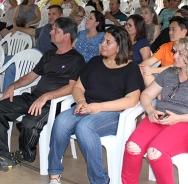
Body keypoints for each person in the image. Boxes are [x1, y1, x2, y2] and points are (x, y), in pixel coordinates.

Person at [0, 17, 85, 176]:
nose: (50, 32)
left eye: (55, 30)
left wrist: (47, 97)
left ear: (67, 36)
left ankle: (25, 153)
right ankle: (0, 156)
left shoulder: (76, 59)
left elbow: (72, 87)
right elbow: (31, 76)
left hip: (54, 104)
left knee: (29, 122)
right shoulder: (49, 54)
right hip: (34, 96)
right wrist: (12, 86)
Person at [47, 26, 144, 184]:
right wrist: (81, 101)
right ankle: (54, 174)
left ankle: (100, 180)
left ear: (119, 46)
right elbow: (78, 87)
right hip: (87, 106)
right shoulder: (95, 62)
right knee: (61, 122)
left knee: (84, 128)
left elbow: (132, 100)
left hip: (114, 114)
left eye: (108, 42)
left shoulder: (131, 68)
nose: (103, 44)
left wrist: (100, 107)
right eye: (103, 40)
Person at [121, 37, 188, 184]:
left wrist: (178, 118)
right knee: (132, 147)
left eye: (180, 53)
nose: (174, 56)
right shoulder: (169, 73)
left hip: (186, 123)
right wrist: (149, 110)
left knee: (155, 153)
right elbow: (146, 94)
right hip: (159, 117)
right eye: (175, 52)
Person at [1, 5, 64, 91]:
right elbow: (33, 31)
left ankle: (5, 99)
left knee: (11, 68)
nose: (51, 16)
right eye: (49, 14)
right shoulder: (47, 27)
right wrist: (18, 28)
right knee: (1, 60)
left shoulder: (62, 32)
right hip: (30, 55)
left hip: (41, 62)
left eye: (54, 14)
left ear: (61, 15)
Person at [140, 16, 188, 86]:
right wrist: (142, 67)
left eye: (174, 29)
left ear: (184, 32)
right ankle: (160, 95)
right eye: (169, 29)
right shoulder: (165, 46)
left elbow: (176, 67)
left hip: (180, 81)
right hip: (162, 78)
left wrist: (152, 70)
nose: (170, 32)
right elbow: (150, 61)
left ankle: (158, 94)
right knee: (145, 74)